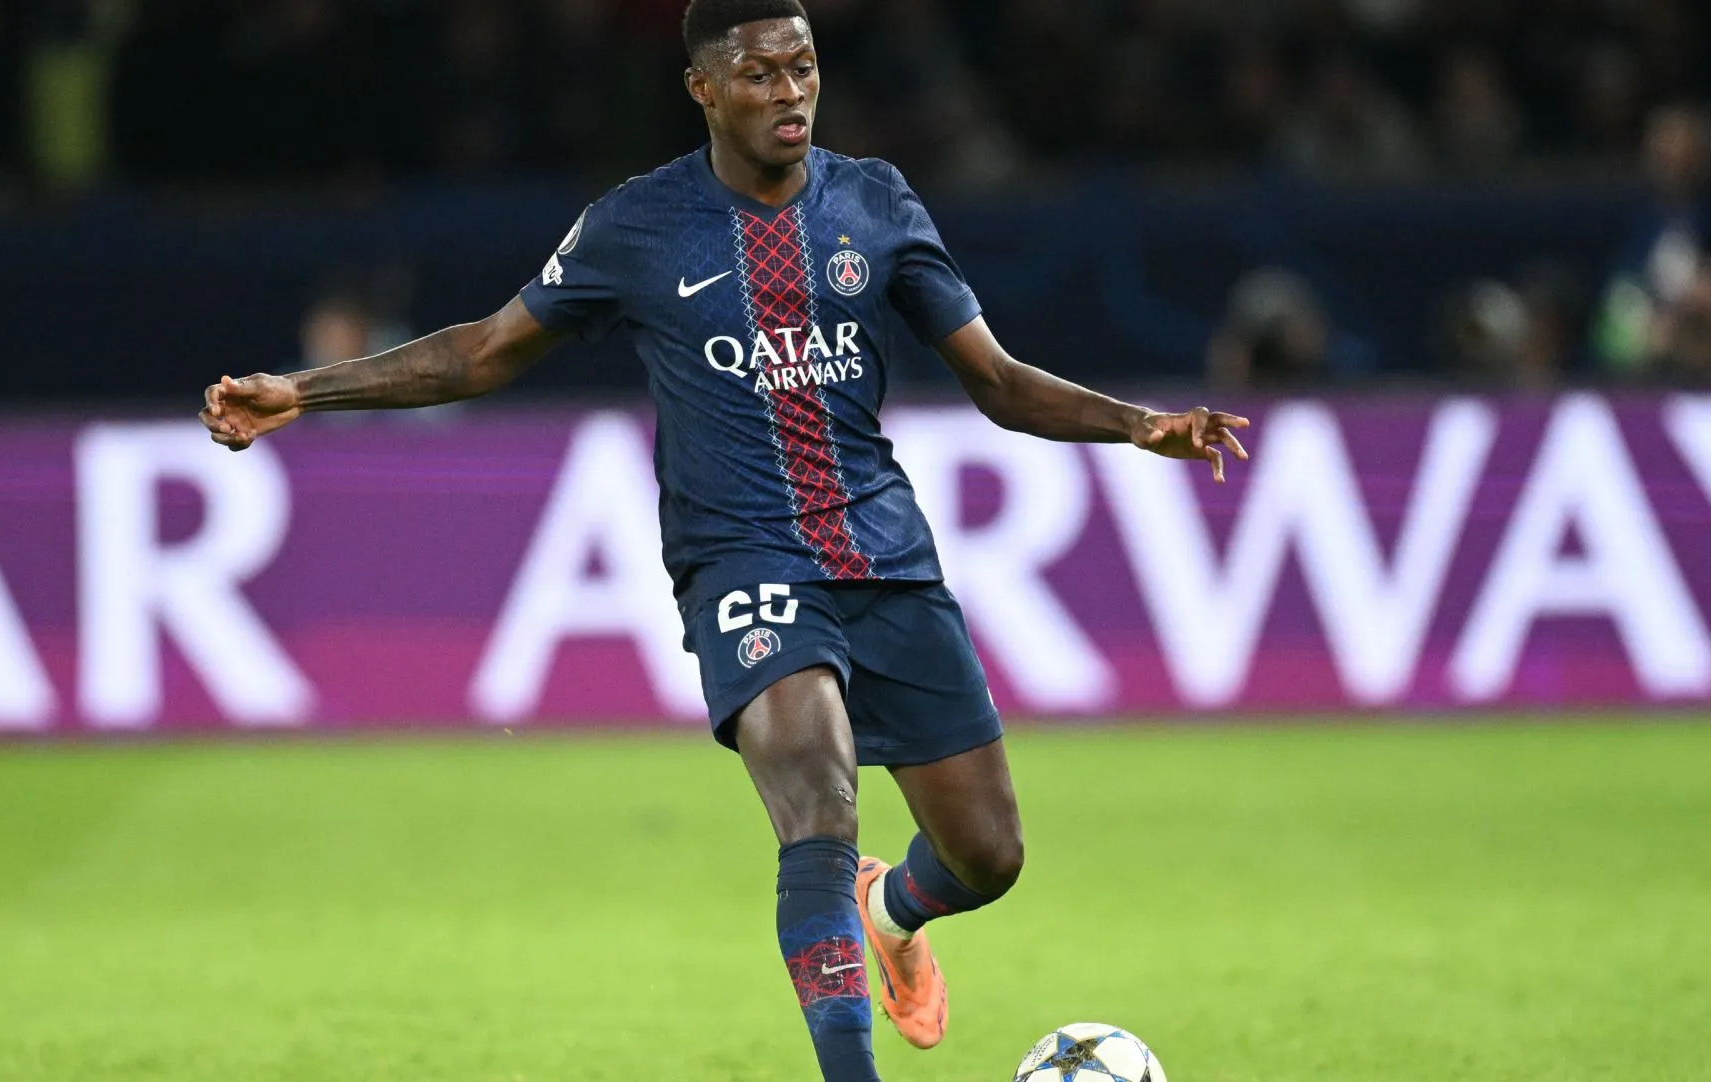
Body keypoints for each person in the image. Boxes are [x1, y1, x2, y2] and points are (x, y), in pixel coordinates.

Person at [197, 3, 1250, 1080]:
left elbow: (997, 379)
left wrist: (1134, 421)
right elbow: (482, 352)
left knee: (988, 854)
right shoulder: (636, 226)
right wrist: (305, 391)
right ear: (703, 87)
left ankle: (887, 912)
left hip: (883, 552)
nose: (790, 90)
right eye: (759, 72)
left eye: (804, 66)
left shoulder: (876, 201)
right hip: (741, 558)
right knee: (817, 790)